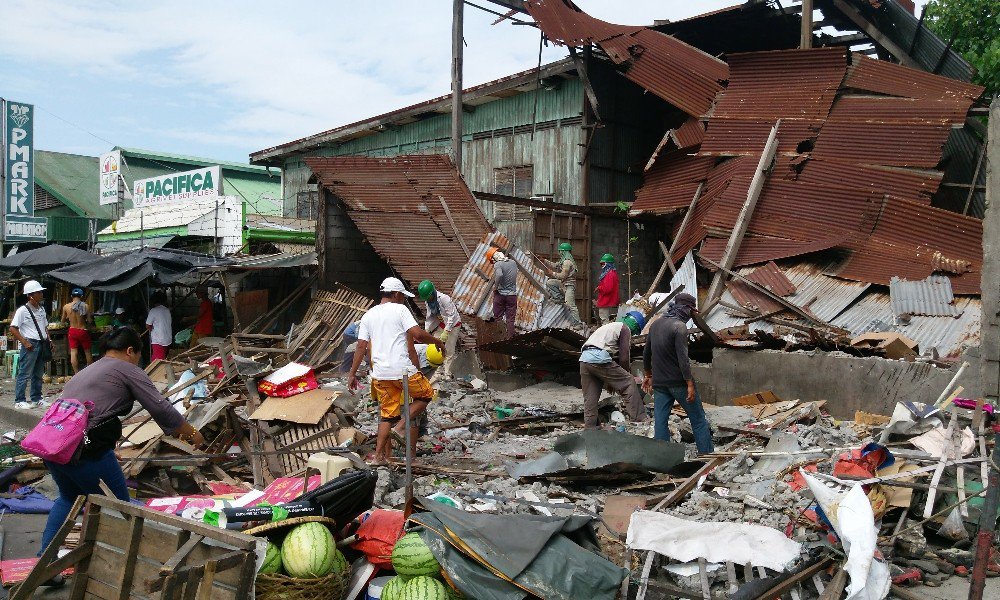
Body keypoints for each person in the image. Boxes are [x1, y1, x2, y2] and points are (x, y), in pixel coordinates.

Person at [37, 327, 205, 566]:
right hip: (85, 450)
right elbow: (160, 407)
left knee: (68, 498)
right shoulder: (125, 368)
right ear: (129, 351)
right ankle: (130, 568)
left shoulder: (89, 369)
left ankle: (45, 562)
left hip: (54, 445)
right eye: (138, 355)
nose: (138, 361)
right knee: (122, 507)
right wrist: (193, 434)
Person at [348, 277, 444, 464]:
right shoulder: (401, 310)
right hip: (401, 370)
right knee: (426, 394)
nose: (403, 300)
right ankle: (400, 427)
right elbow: (417, 335)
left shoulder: (369, 315)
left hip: (380, 374)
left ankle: (378, 457)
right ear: (397, 294)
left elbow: (361, 347)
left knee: (386, 415)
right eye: (403, 296)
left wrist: (352, 373)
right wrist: (437, 341)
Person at [642, 293, 714, 454]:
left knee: (660, 421)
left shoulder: (656, 325)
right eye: (691, 311)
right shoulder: (679, 327)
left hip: (660, 383)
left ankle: (662, 458)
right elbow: (683, 360)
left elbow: (646, 353)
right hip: (679, 382)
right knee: (698, 420)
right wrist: (689, 384)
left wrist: (648, 375)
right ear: (686, 309)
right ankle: (707, 456)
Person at [579, 311, 648, 428]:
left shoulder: (609, 327)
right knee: (629, 382)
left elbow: (609, 360)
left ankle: (590, 428)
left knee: (590, 397)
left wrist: (613, 382)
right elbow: (624, 357)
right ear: (636, 326)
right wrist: (627, 374)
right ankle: (640, 418)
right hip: (598, 358)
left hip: (584, 359)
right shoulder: (624, 328)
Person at [10, 280, 51, 410]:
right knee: (25, 373)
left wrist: (49, 340)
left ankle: (36, 398)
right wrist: (25, 342)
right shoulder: (23, 310)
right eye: (38, 292)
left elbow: (45, 327)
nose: (41, 294)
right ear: (30, 295)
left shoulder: (42, 309)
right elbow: (13, 328)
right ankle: (19, 400)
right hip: (30, 344)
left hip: (41, 343)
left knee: (38, 373)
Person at [417, 280, 462, 381]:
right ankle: (437, 372)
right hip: (442, 322)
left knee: (449, 349)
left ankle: (447, 373)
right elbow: (430, 316)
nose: (428, 299)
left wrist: (447, 331)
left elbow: (452, 316)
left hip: (454, 324)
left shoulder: (444, 299)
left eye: (428, 297)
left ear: (432, 292)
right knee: (435, 345)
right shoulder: (428, 301)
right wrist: (426, 331)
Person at [544, 242, 581, 322]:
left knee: (570, 304)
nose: (559, 253)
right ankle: (559, 298)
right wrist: (544, 260)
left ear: (564, 251)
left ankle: (578, 324)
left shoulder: (567, 262)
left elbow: (562, 276)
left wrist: (552, 273)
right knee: (550, 282)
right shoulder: (563, 261)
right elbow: (555, 265)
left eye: (560, 251)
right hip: (564, 283)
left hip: (569, 285)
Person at [61, 288, 93, 374]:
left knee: (73, 352)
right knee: (87, 351)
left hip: (72, 331)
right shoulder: (86, 306)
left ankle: (76, 373)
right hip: (82, 330)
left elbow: (62, 322)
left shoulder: (66, 307)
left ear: (71, 296)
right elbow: (90, 321)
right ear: (81, 296)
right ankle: (90, 373)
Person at [489, 249, 518, 339]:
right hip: (512, 295)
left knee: (498, 317)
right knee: (510, 319)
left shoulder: (498, 264)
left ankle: (500, 338)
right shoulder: (513, 262)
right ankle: (510, 338)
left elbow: (499, 275)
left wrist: (496, 287)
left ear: (495, 258)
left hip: (501, 294)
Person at [594, 253, 620, 325]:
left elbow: (608, 289)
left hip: (606, 300)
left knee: (604, 318)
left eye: (603, 263)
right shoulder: (610, 273)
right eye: (601, 264)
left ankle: (606, 334)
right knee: (604, 317)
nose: (602, 265)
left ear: (608, 264)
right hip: (606, 299)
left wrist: (599, 288)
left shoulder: (610, 274)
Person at [146, 291, 172, 361]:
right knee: (162, 357)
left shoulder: (153, 310)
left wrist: (151, 327)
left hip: (158, 340)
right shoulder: (167, 310)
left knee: (157, 361)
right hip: (167, 339)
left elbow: (148, 325)